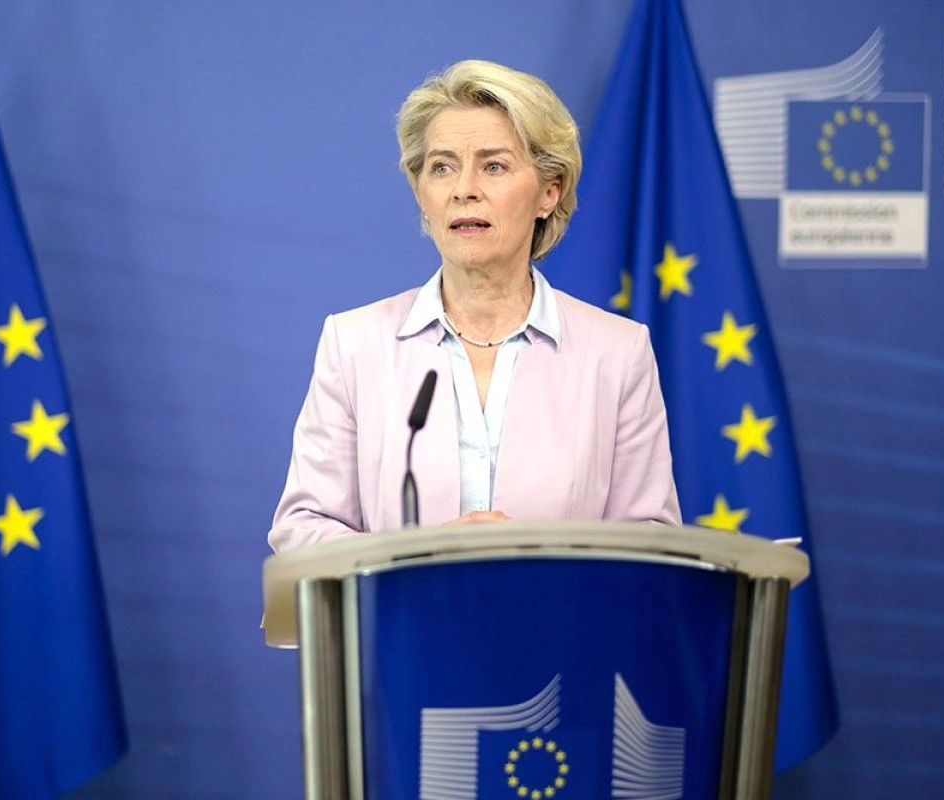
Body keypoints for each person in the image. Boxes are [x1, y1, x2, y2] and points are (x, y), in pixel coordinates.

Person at [268, 60, 680, 552]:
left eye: (493, 166)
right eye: (442, 167)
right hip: (406, 605)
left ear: (549, 193)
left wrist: (539, 565)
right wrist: (418, 559)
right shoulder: (355, 344)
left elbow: (651, 543)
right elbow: (304, 527)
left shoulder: (616, 353)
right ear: (422, 193)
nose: (464, 190)